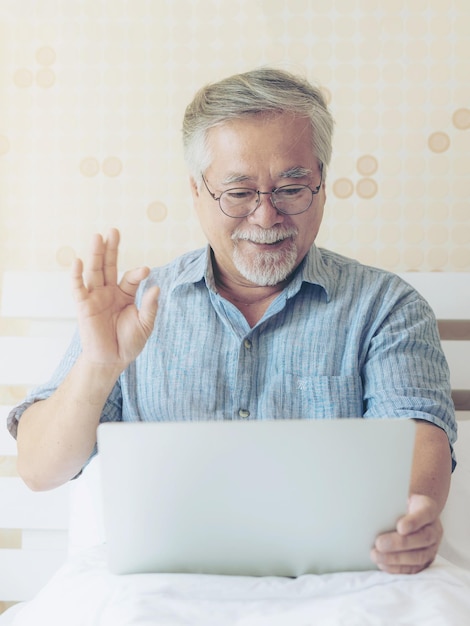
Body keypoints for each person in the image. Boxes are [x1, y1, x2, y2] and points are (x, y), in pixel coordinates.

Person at [8, 67, 456, 575]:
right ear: (198, 192)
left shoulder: (387, 307)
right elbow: (39, 470)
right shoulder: (134, 307)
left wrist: (413, 521)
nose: (266, 218)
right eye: (239, 193)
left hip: (341, 585)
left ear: (323, 186)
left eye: (291, 188)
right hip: (165, 590)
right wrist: (98, 364)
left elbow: (417, 457)